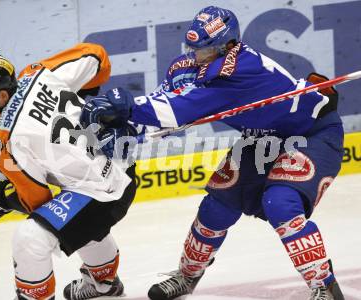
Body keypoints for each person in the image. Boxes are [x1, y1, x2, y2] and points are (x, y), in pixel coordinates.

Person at [79, 6, 346, 300]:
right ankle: (187, 276)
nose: (197, 57)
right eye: (193, 49)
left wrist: (126, 105)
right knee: (216, 207)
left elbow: (177, 110)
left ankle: (324, 286)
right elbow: (166, 113)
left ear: (229, 45)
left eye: (206, 50)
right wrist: (127, 127)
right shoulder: (190, 66)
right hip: (262, 137)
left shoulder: (242, 72)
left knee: (280, 203)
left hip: (311, 134)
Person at [0, 43, 137, 300]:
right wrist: (87, 97)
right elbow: (97, 56)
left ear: (0, 95)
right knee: (77, 214)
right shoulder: (38, 73)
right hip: (123, 166)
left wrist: (3, 200)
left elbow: (38, 202)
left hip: (100, 195)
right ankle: (105, 284)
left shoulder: (4, 143)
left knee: (29, 238)